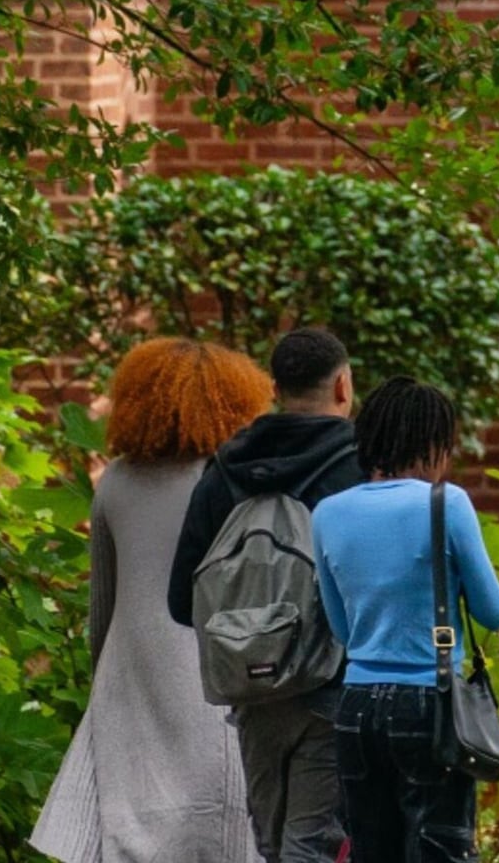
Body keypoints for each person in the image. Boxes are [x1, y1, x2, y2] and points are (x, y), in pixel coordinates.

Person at [36, 338, 280, 863]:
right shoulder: (241, 486)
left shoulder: (118, 484)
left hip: (133, 686)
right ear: (238, 404)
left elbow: (101, 610)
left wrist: (105, 684)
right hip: (223, 678)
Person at [169, 327, 364, 863]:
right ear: (344, 386)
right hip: (333, 685)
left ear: (274, 388)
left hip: (253, 690)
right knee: (315, 843)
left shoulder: (225, 470)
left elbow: (181, 599)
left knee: (273, 845)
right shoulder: (360, 470)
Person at [310, 377, 499, 863]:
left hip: (355, 706)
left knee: (370, 850)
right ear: (432, 442)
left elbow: (341, 628)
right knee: (440, 847)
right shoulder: (447, 503)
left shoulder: (327, 513)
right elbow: (493, 613)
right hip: (429, 703)